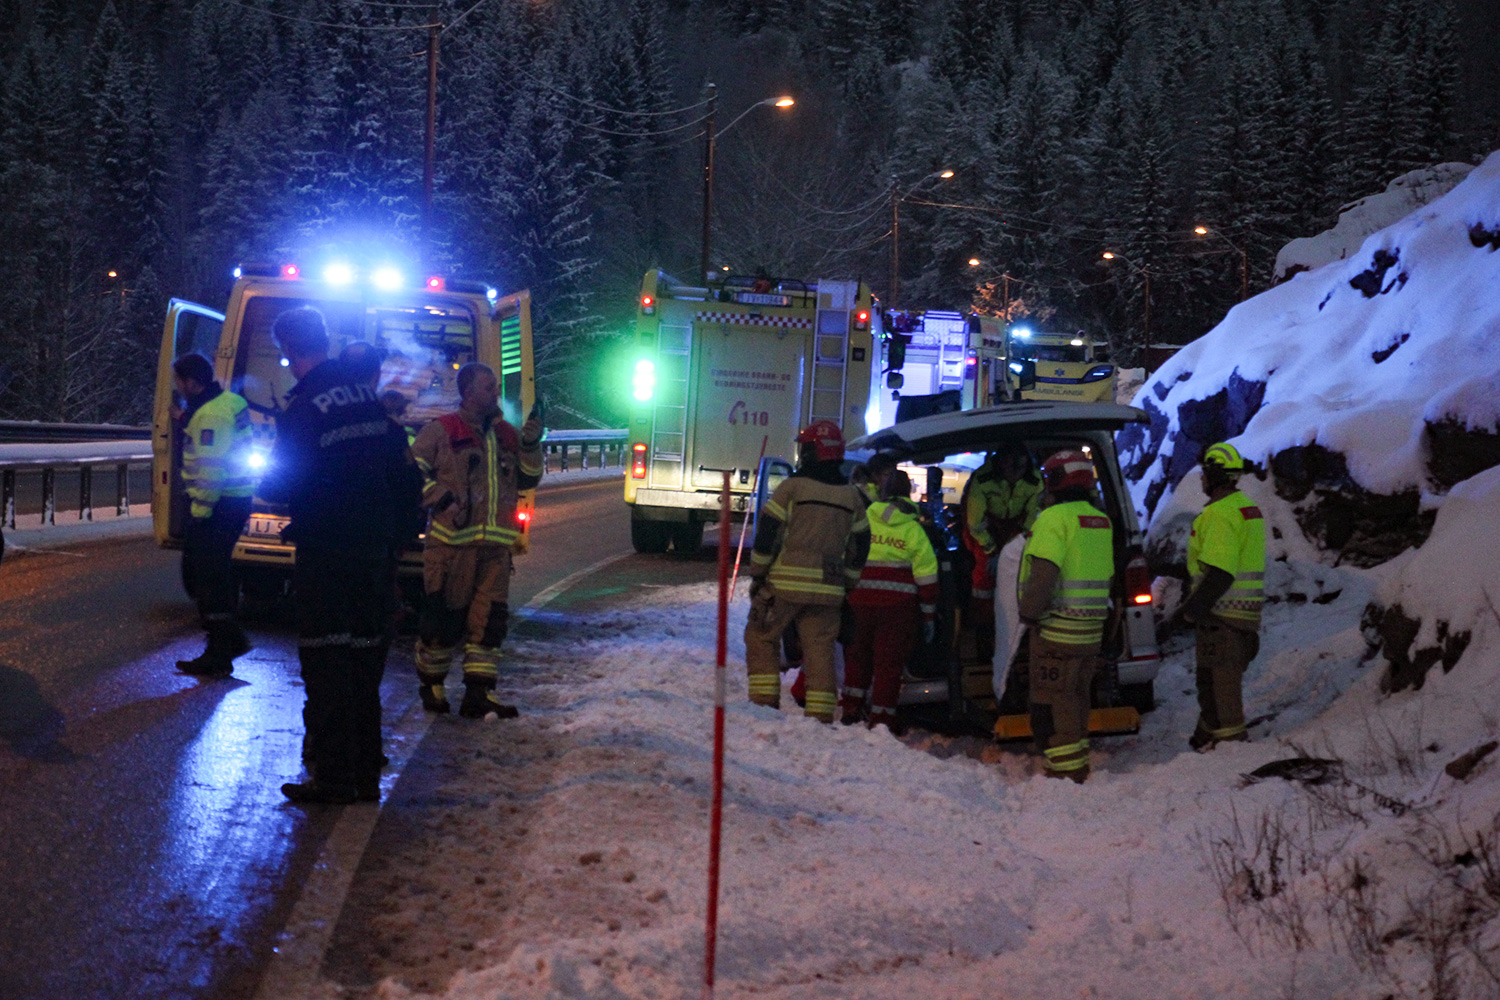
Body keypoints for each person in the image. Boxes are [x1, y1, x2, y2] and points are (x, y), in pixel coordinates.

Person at [258, 307, 422, 804]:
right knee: (364, 660)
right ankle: (366, 771)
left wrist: (265, 484)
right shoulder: (367, 401)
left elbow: (284, 481)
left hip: (328, 551)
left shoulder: (306, 405)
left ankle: (332, 775)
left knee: (328, 659)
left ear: (287, 350)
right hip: (374, 551)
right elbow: (404, 477)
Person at [410, 364, 543, 719]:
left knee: (488, 624)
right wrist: (438, 498)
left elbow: (528, 479)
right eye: (488, 387)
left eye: (495, 387)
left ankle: (479, 695)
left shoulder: (507, 434)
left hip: (495, 551)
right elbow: (412, 471)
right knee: (443, 620)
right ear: (467, 392)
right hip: (451, 547)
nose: (495, 393)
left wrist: (530, 444)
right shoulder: (442, 430)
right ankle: (433, 686)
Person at [744, 420, 871, 722]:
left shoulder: (792, 488)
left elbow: (767, 534)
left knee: (761, 635)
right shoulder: (851, 497)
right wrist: (848, 584)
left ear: (815, 452)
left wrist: (759, 573)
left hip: (784, 586)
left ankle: (763, 709)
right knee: (820, 650)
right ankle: (820, 718)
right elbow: (861, 544)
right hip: (829, 591)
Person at [1016, 449, 1113, 783]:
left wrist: (1028, 614)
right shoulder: (1100, 520)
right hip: (1090, 631)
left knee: (1052, 702)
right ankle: (1077, 762)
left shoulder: (1053, 520)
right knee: (1076, 697)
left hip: (1057, 631)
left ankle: (1066, 774)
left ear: (1056, 481)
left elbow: (1044, 573)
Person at [1174, 442, 1265, 751]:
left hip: (1221, 619)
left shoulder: (1218, 514)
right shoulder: (1246, 508)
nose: (1200, 479)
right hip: (1244, 618)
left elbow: (1220, 573)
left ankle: (1229, 755)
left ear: (1214, 475)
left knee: (1218, 693)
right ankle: (1204, 741)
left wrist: (1189, 611)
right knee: (1216, 691)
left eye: (1204, 473)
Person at [172, 352, 256, 676]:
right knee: (211, 574)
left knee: (205, 577)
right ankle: (222, 646)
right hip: (232, 502)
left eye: (180, 382)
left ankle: (226, 642)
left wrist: (200, 511)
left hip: (218, 505)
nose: (178, 388)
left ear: (193, 383)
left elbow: (211, 466)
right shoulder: (229, 402)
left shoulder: (212, 415)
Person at [840, 470, 938, 730]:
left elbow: (845, 555)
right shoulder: (913, 529)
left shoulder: (863, 520)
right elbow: (927, 578)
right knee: (888, 665)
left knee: (857, 657)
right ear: (908, 493)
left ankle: (850, 709)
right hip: (897, 610)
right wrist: (928, 615)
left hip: (858, 602)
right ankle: (881, 719)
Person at [962, 444, 1044, 661]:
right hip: (986, 530)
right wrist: (992, 552)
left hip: (1016, 531)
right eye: (1010, 465)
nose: (1015, 472)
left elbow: (1033, 519)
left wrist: (1016, 546)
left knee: (1023, 574)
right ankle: (983, 632)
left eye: (1020, 466)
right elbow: (975, 523)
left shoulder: (1034, 481)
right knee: (983, 579)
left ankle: (1021, 630)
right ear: (1000, 462)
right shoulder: (983, 479)